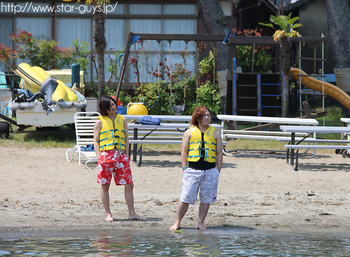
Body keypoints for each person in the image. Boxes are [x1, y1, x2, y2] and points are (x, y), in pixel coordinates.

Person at [170, 106, 223, 231]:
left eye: (208, 115)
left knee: (206, 199)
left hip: (210, 170)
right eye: (204, 115)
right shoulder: (189, 132)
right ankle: (177, 222)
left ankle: (200, 223)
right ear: (198, 117)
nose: (206, 117)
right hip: (192, 170)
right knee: (186, 197)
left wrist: (217, 170)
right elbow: (184, 152)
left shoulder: (215, 134)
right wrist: (184, 168)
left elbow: (219, 153)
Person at [94, 96, 145, 222]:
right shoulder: (99, 122)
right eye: (111, 105)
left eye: (114, 104)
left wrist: (126, 156)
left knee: (129, 184)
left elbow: (126, 138)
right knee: (105, 185)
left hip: (120, 156)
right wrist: (99, 157)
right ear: (104, 108)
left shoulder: (122, 119)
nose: (114, 107)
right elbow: (96, 141)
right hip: (106, 155)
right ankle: (108, 214)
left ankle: (132, 213)